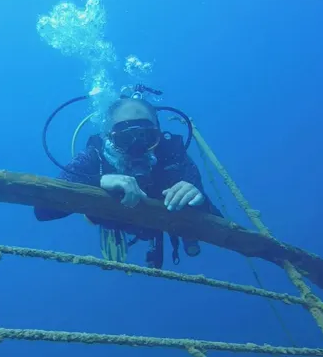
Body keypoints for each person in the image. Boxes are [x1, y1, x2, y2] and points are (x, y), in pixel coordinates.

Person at [34, 97, 222, 269]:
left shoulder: (173, 157)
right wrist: (96, 183)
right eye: (125, 138)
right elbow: (43, 210)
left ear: (158, 133)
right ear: (108, 136)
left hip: (158, 225)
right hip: (114, 220)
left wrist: (200, 200)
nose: (137, 148)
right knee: (94, 218)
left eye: (146, 136)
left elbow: (218, 221)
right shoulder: (95, 157)